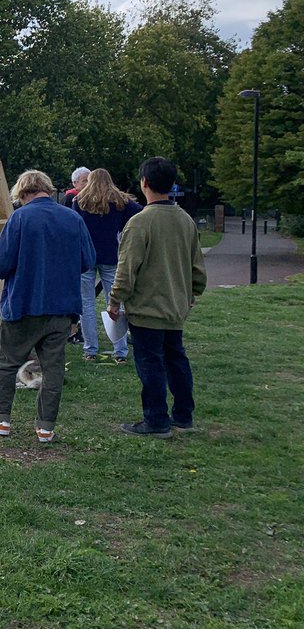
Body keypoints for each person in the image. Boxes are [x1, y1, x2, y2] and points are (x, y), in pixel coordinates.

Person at [0, 170, 95, 444]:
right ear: (48, 189)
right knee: (53, 367)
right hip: (62, 307)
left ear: (22, 193)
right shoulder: (73, 218)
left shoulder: (20, 218)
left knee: (8, 363)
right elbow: (88, 260)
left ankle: (0, 419)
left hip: (24, 304)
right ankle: (46, 427)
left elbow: (1, 265)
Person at [108, 157, 207, 438]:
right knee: (176, 359)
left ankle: (156, 420)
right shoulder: (185, 220)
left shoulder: (140, 222)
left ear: (144, 183)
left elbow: (127, 268)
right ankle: (183, 415)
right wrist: (193, 292)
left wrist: (115, 300)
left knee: (150, 363)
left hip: (147, 308)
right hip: (176, 306)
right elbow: (197, 264)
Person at [72, 169, 142, 363]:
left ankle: (90, 350)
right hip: (111, 255)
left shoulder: (79, 201)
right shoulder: (120, 201)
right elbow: (140, 213)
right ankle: (120, 351)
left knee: (86, 304)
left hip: (86, 256)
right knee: (115, 303)